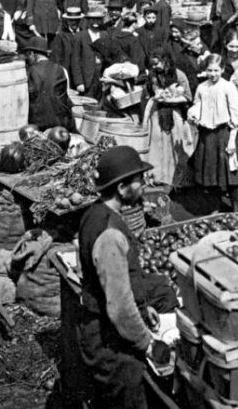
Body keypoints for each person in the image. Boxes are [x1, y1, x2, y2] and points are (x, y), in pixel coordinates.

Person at [77, 146, 178, 409]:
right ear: (122, 188)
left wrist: (144, 309)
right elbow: (120, 308)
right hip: (109, 345)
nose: (143, 186)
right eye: (139, 181)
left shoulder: (94, 214)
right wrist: (147, 344)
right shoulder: (110, 235)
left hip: (104, 330)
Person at [187, 54, 238, 208]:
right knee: (211, 170)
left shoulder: (228, 87)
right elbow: (197, 107)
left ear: (223, 69)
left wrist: (232, 138)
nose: (213, 74)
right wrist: (193, 117)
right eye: (209, 70)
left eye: (216, 70)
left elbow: (236, 113)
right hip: (207, 134)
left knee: (229, 169)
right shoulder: (202, 87)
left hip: (224, 133)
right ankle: (216, 204)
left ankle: (235, 203)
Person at [142, 48, 194, 185]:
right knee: (156, 143)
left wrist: (170, 100)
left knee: (173, 143)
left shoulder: (179, 75)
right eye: (152, 64)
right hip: (157, 113)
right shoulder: (153, 75)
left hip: (174, 113)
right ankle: (156, 176)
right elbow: (151, 91)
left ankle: (174, 178)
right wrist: (158, 95)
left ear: (165, 61)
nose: (154, 67)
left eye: (157, 63)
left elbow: (187, 97)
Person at [19, 34, 74, 131]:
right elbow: (67, 97)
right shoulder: (61, 70)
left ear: (31, 53)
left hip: (36, 126)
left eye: (28, 55)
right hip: (61, 125)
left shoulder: (28, 72)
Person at [73, 8, 107, 99]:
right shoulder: (80, 36)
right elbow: (75, 61)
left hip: (101, 77)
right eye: (93, 19)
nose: (95, 21)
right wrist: (79, 82)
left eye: (98, 19)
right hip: (87, 78)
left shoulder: (105, 35)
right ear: (88, 20)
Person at [51, 7, 84, 83]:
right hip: (67, 74)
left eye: (77, 20)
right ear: (67, 21)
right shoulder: (61, 36)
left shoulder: (84, 33)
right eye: (71, 20)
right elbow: (57, 58)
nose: (74, 22)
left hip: (82, 74)